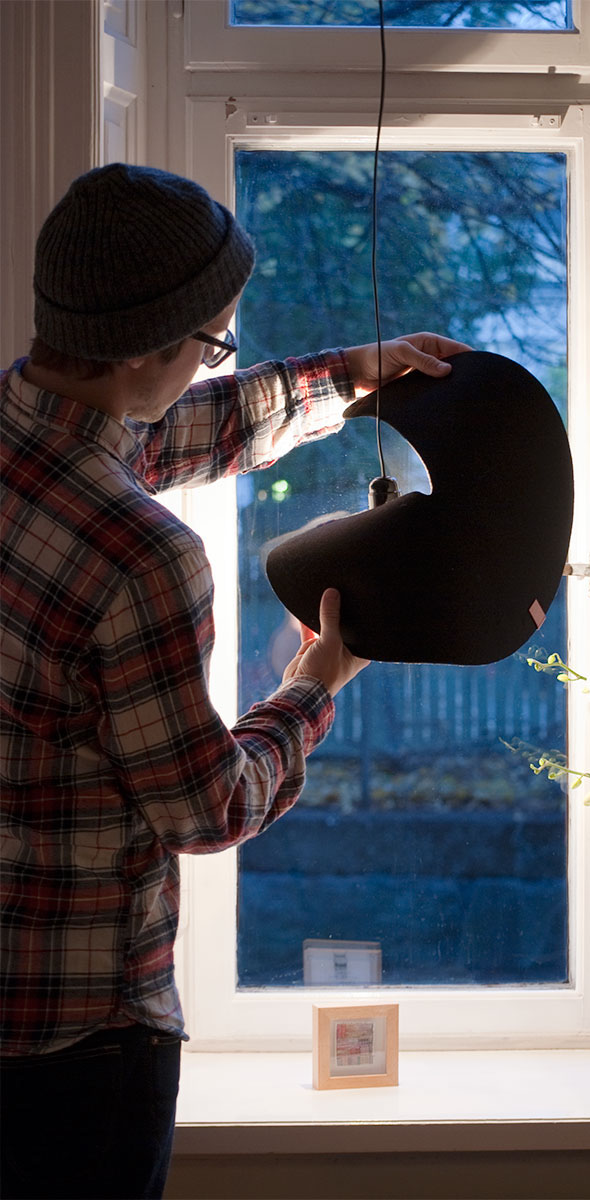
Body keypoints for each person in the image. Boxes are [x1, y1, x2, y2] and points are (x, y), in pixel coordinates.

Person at [0, 162, 470, 1200]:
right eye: (212, 340)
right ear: (140, 349)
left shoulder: (20, 435)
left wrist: (348, 374)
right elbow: (203, 809)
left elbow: (157, 431)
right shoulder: (139, 558)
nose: (217, 359)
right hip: (81, 1054)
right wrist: (314, 683)